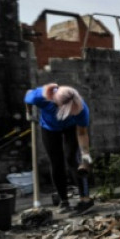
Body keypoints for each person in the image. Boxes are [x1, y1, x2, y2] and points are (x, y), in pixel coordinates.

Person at [24, 83, 94, 214]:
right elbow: (28, 96)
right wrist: (28, 112)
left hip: (70, 129)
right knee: (56, 162)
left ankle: (85, 199)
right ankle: (64, 201)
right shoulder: (40, 97)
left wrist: (85, 154)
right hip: (49, 128)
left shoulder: (81, 108)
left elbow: (82, 133)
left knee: (72, 158)